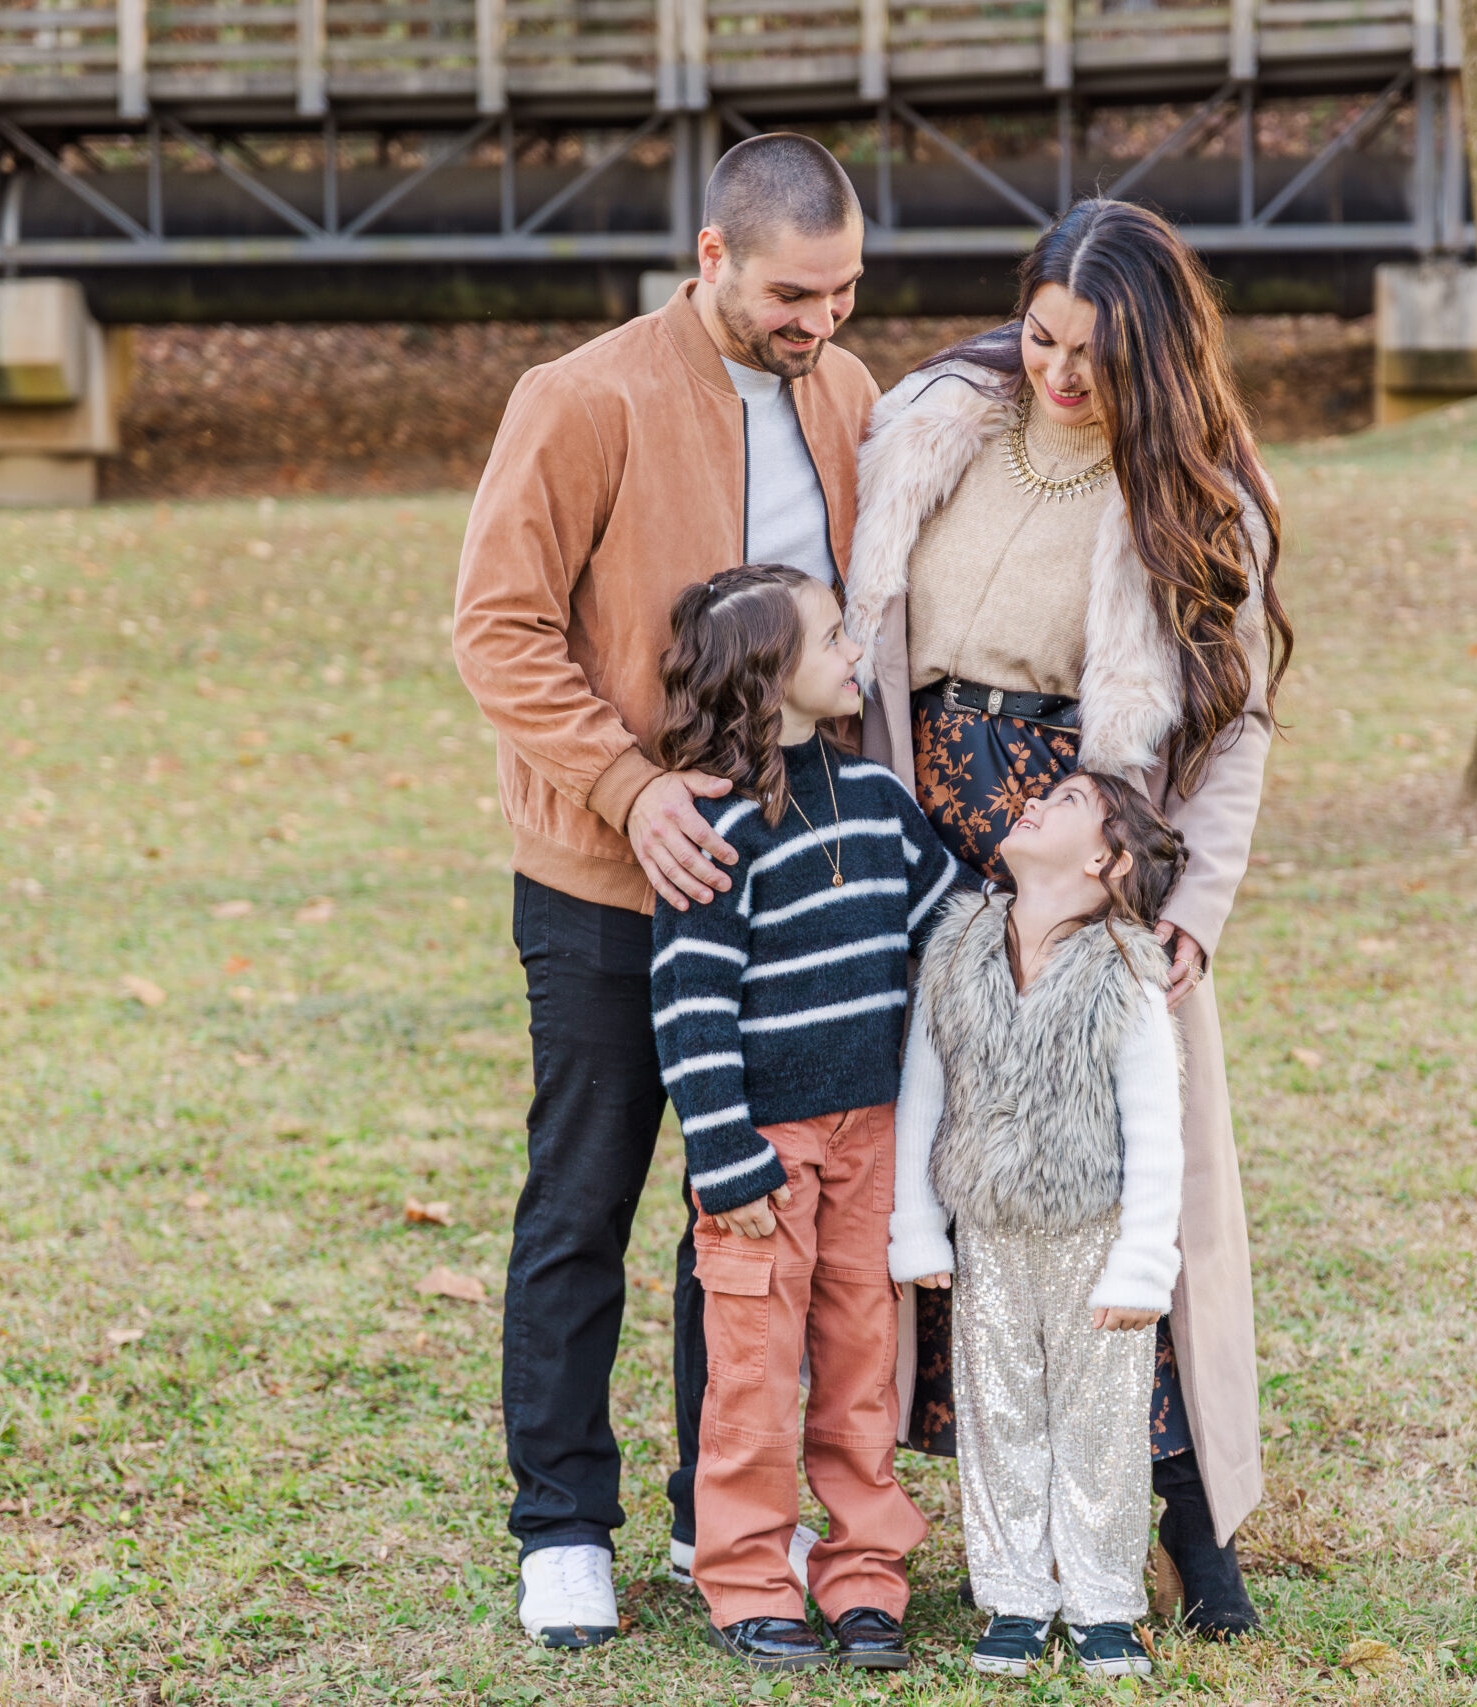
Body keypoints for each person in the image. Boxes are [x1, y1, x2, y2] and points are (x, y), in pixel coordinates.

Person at [452, 132, 878, 1649]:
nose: (817, 323)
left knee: (744, 1208)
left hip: (779, 893)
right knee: (584, 1195)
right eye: (789, 293)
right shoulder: (580, 398)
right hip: (602, 877)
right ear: (712, 257)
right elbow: (495, 628)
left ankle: (727, 1510)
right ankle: (561, 1521)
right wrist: (630, 793)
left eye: (840, 292)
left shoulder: (848, 393)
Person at [845, 198, 1293, 1636]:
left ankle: (1188, 1526)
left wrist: (1193, 910)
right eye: (1041, 336)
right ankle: (985, 1519)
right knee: (950, 1176)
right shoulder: (939, 428)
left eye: (1095, 355)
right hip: (928, 830)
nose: (1058, 373)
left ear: (1155, 355)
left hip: (1086, 852)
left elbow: (1243, 727)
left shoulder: (1197, 499)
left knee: (1117, 1183)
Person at [646, 564, 963, 1671]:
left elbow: (949, 923)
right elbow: (688, 1006)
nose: (854, 654)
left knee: (859, 1360)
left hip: (871, 1139)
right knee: (751, 1375)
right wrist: (723, 1157)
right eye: (831, 639)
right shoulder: (711, 829)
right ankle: (745, 1577)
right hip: (761, 1157)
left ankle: (865, 1572)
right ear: (765, 680)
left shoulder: (877, 799)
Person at [888, 774, 1190, 1680]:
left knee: (1098, 1417)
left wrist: (1143, 1262)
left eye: (1064, 800)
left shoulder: (1125, 972)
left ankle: (1103, 1599)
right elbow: (922, 1097)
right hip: (987, 1231)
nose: (1033, 799)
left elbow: (1156, 1129)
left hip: (1092, 1231)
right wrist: (917, 1224)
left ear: (1107, 859)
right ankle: (1014, 1595)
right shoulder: (959, 949)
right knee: (998, 1410)